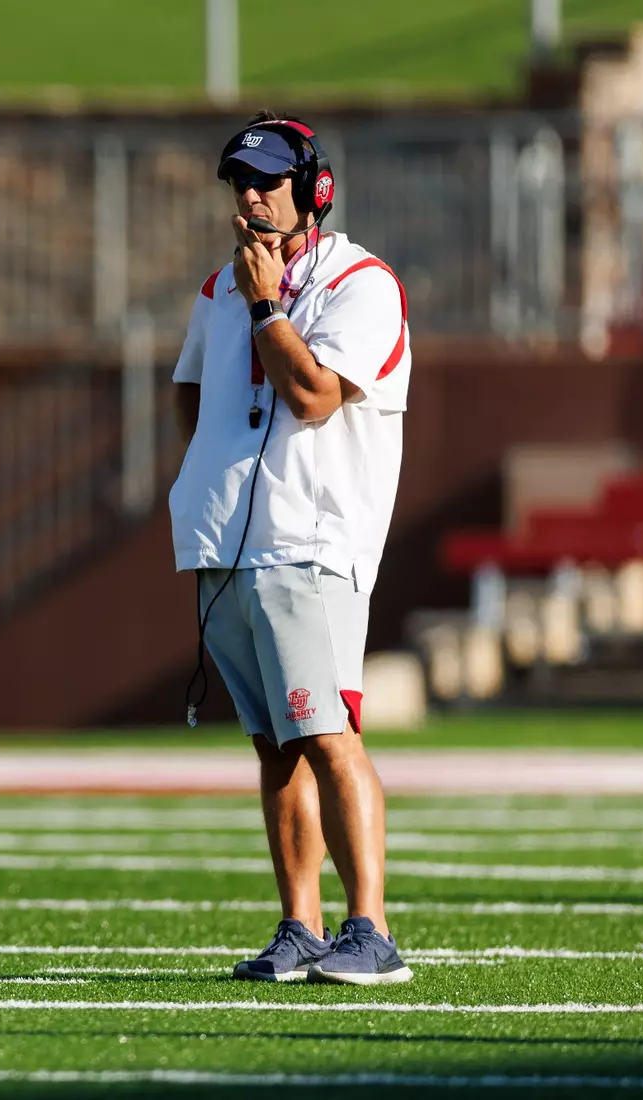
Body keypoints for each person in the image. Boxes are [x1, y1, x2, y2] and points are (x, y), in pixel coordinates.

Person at [167, 110, 413, 985]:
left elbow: (311, 395)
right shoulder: (217, 288)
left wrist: (270, 303)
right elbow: (192, 393)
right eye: (241, 184)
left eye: (268, 182)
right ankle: (300, 926)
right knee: (276, 743)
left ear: (313, 190)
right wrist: (210, 480)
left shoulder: (362, 284)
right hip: (230, 543)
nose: (252, 199)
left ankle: (371, 931)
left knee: (329, 732)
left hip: (311, 540)